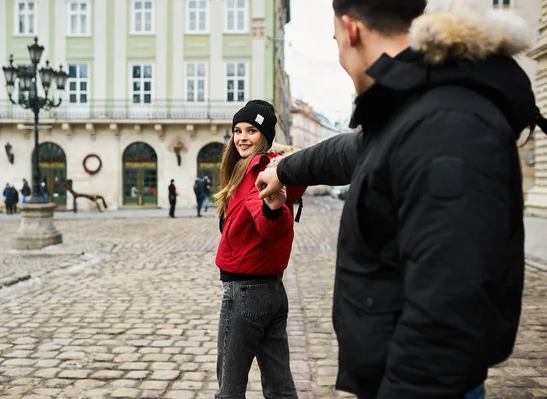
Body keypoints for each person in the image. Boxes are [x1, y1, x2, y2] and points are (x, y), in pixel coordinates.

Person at [256, 1, 539, 398]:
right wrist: (283, 170)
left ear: (351, 31)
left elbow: (446, 318)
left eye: (335, 39)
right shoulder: (418, 104)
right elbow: (349, 152)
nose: (339, 52)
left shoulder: (447, 122)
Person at [214, 100, 306, 398]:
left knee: (230, 389)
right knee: (280, 388)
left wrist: (273, 210)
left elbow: (271, 227)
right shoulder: (251, 169)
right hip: (272, 293)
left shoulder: (259, 171)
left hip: (245, 294)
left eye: (251, 130)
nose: (242, 137)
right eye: (237, 130)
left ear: (265, 136)